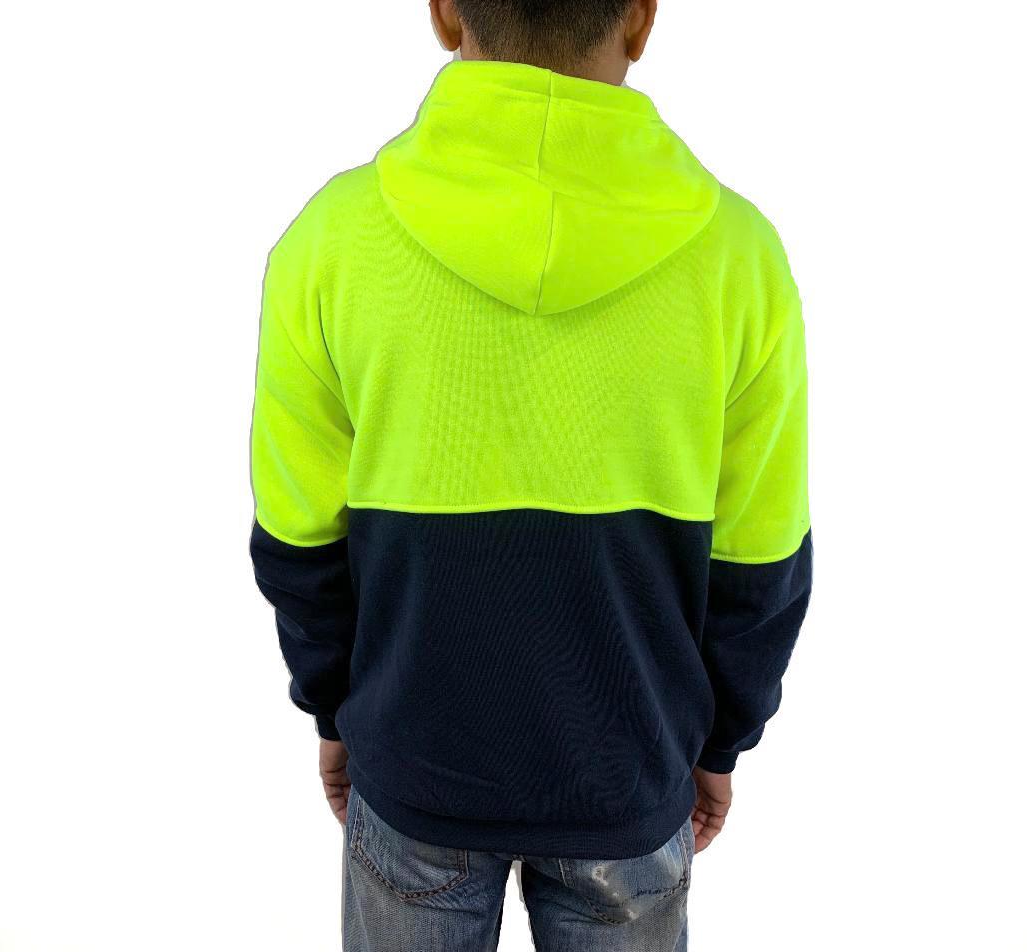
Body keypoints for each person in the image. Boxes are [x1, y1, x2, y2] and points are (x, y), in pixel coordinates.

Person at [249, 1, 813, 948]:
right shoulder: (741, 260)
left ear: (444, 13)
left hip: (415, 769)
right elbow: (762, 564)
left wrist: (335, 713)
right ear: (640, 20)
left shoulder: (330, 244)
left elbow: (298, 542)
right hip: (629, 775)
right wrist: (719, 744)